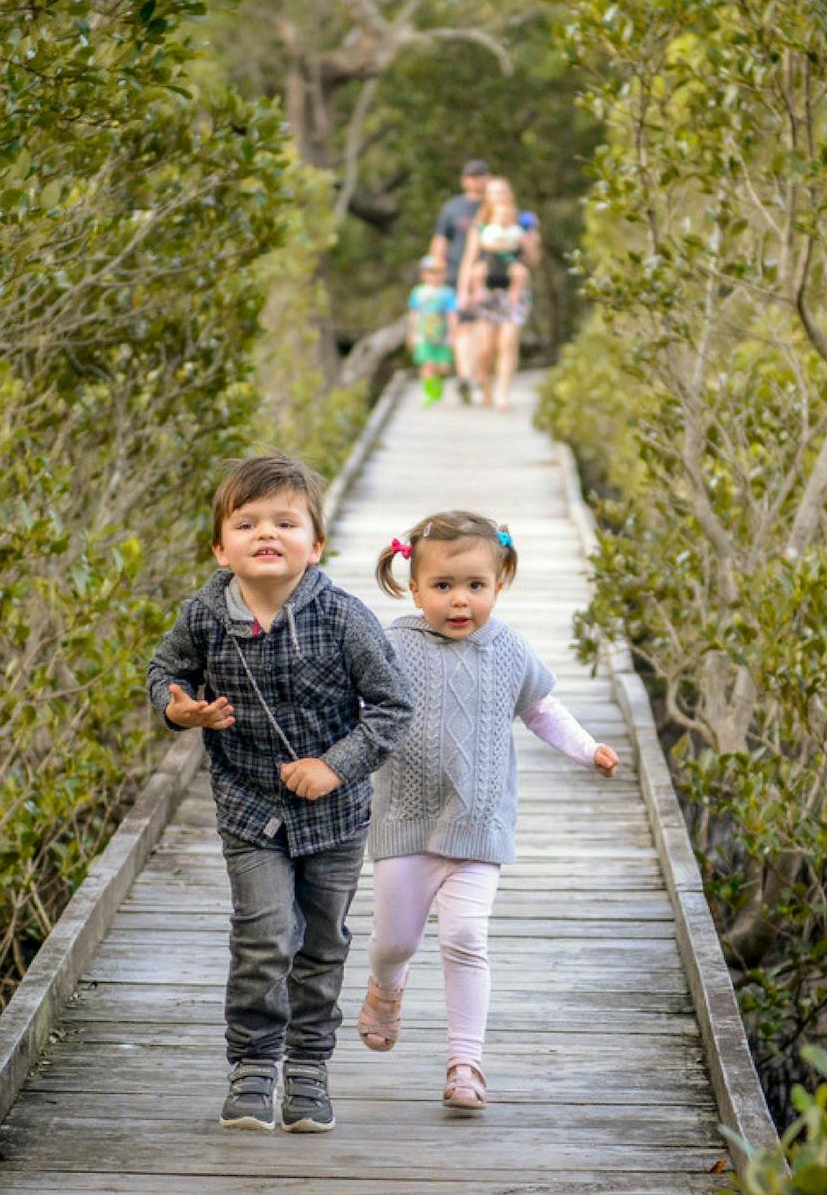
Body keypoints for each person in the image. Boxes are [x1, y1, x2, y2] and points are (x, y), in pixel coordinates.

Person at [146, 453, 414, 1134]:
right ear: (220, 545)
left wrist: (336, 765)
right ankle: (254, 1063)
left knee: (322, 942)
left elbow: (391, 708)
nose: (266, 534)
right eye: (247, 523)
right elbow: (166, 673)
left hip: (336, 815)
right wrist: (182, 710)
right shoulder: (204, 615)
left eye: (285, 522)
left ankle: (307, 1067)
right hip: (247, 808)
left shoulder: (343, 617)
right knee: (264, 936)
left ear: (315, 544)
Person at [358, 511, 618, 1110]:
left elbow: (543, 710)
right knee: (395, 940)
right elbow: (355, 706)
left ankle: (465, 1062)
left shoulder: (508, 649)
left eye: (475, 586)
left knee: (467, 937)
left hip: (480, 824)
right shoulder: (392, 645)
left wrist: (587, 750)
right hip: (406, 822)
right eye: (443, 586)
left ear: (498, 585)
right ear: (414, 587)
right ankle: (386, 987)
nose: (460, 601)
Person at [456, 176, 540, 411]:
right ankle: (486, 389)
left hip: (513, 290)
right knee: (485, 347)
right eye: (493, 192)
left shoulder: (523, 222)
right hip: (487, 290)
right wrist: (464, 290)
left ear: (510, 193)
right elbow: (469, 260)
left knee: (508, 341)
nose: (498, 196)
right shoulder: (481, 225)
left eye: (502, 191)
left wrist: (529, 242)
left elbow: (534, 260)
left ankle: (503, 393)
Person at [430, 158, 490, 403]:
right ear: (464, 180)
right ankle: (465, 376)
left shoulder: (494, 204)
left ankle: (477, 376)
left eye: (481, 175)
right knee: (462, 325)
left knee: (483, 328)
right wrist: (436, 269)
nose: (477, 180)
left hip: (489, 276)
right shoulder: (453, 207)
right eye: (472, 176)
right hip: (457, 273)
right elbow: (440, 240)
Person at [406, 254, 459, 404]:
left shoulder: (447, 293)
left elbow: (452, 315)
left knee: (443, 367)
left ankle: (438, 385)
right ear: (424, 275)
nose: (435, 276)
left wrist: (453, 335)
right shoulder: (418, 292)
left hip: (442, 335)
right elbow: (414, 315)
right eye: (431, 272)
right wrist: (412, 334)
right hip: (424, 334)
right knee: (427, 363)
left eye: (439, 272)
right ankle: (429, 393)